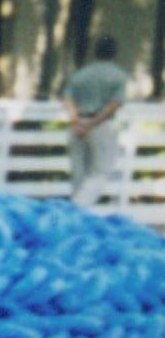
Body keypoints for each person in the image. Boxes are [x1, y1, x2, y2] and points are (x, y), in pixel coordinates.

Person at [65, 35, 137, 212]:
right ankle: (77, 209)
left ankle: (78, 217)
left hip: (78, 124)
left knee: (79, 173)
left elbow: (67, 98)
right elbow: (115, 103)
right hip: (100, 124)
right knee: (101, 170)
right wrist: (92, 122)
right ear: (114, 53)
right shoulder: (118, 76)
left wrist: (76, 121)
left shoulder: (81, 74)